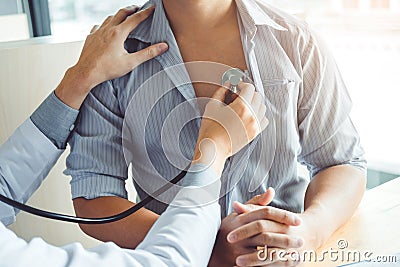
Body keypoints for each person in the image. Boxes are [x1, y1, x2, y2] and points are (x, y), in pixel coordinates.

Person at [66, 0, 367, 266]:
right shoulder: (112, 54)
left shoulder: (296, 41)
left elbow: (342, 162)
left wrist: (308, 231)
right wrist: (204, 248)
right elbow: (94, 195)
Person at [0, 6, 273, 266]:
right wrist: (214, 149)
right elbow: (169, 262)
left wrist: (80, 78)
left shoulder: (290, 38)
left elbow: (3, 187)